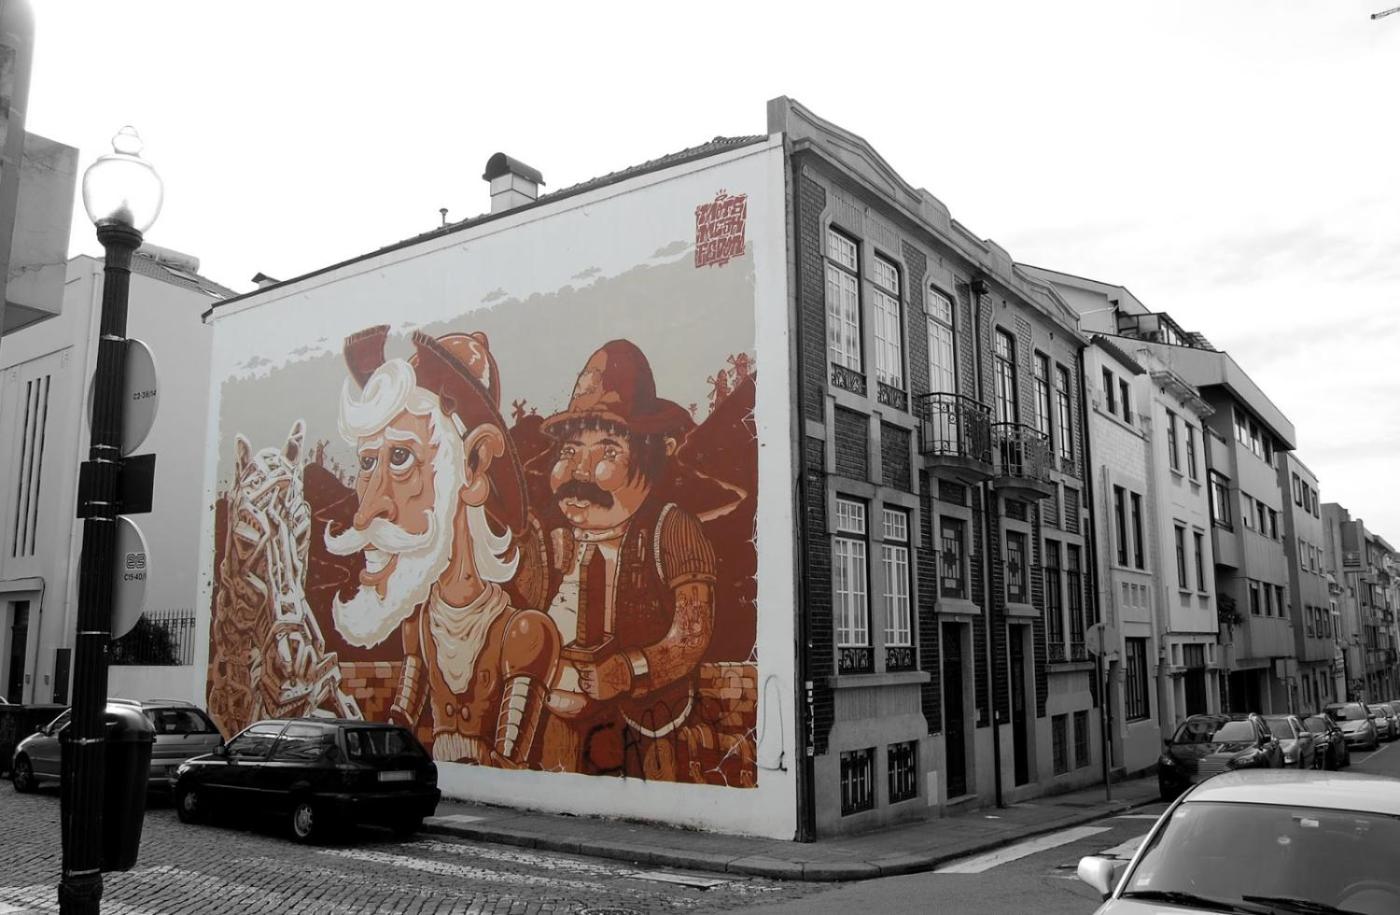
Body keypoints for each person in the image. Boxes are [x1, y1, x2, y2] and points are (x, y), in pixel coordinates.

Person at [327, 324, 559, 768]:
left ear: (473, 467)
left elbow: (510, 771)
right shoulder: (418, 626)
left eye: (400, 458)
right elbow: (398, 730)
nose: (365, 514)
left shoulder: (524, 636)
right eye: (368, 462)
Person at [535, 339, 716, 781]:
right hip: (561, 722)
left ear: (653, 454)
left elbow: (692, 633)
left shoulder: (671, 528)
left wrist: (631, 669)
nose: (580, 470)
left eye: (608, 451)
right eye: (569, 451)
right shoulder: (554, 542)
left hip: (648, 729)